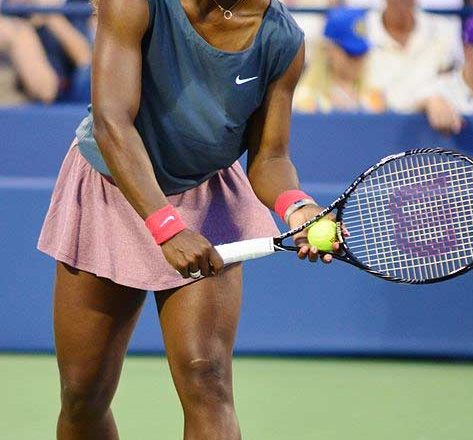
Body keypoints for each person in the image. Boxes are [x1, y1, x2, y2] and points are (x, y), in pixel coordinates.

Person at [36, 0, 337, 438]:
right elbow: (111, 121)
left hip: (206, 196)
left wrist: (298, 206)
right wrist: (166, 226)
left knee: (207, 377)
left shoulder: (283, 41)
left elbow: (270, 157)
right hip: (112, 186)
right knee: (83, 395)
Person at [364, 0, 463, 112]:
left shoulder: (444, 31)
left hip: (429, 121)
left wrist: (431, 101)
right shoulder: (361, 29)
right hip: (370, 119)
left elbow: (453, 87)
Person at [294, 7, 385, 113]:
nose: (358, 60)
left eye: (362, 53)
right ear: (328, 50)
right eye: (351, 53)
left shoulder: (374, 98)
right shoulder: (305, 99)